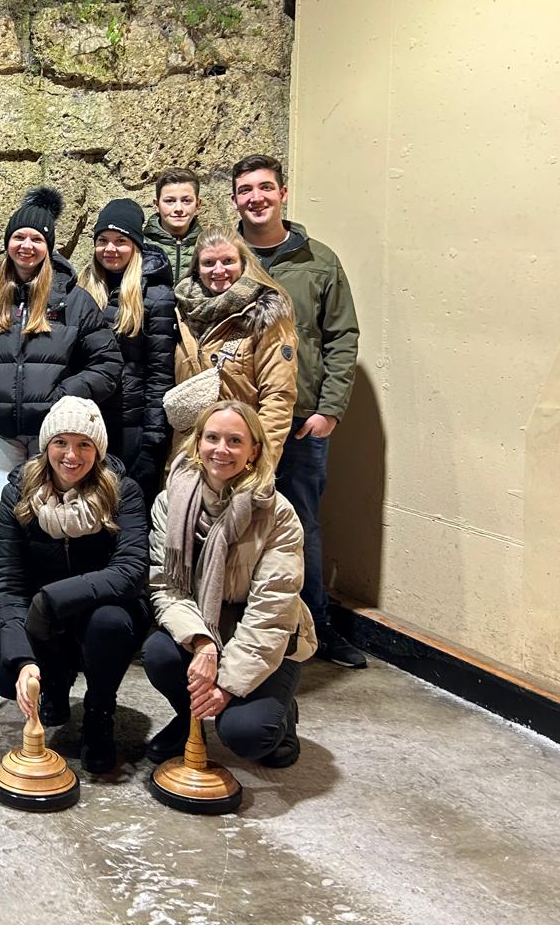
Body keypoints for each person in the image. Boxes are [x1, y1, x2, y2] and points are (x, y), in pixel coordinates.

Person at [0, 187, 122, 710]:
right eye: (18, 237)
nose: (26, 246)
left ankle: (54, 657)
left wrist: (62, 400)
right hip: (1, 439)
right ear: (7, 243)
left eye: (36, 238)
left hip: (55, 445)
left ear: (49, 245)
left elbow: (107, 365)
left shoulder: (74, 300)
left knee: (56, 544)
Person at [233, 154, 366, 669]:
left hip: (300, 420)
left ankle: (316, 625)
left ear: (282, 193)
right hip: (237, 420)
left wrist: (329, 411)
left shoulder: (319, 261)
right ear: (236, 200)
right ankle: (235, 625)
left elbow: (342, 337)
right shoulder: (226, 256)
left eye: (265, 187)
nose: (257, 198)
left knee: (301, 523)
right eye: (246, 190)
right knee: (234, 521)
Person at [143, 400, 315, 768]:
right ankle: (189, 720)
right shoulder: (170, 502)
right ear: (197, 444)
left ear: (253, 452)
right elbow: (167, 588)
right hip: (204, 623)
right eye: (212, 438)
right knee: (158, 653)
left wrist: (225, 686)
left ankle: (283, 713)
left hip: (263, 634)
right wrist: (202, 643)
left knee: (248, 736)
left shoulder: (277, 514)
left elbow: (272, 613)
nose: (221, 449)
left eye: (235, 441)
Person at [0, 398, 148, 774]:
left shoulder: (123, 492)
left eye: (83, 445)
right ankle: (54, 686)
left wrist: (51, 598)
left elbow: (130, 570)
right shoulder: (17, 494)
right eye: (61, 442)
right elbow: (9, 583)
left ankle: (99, 712)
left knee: (108, 623)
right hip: (44, 621)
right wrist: (23, 661)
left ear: (98, 449)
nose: (71, 456)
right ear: (47, 445)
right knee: (2, 671)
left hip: (103, 613)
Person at [78, 198, 176, 504]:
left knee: (129, 509)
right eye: (103, 240)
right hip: (89, 421)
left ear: (135, 245)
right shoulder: (83, 288)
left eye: (121, 241)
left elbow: (160, 372)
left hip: (132, 425)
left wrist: (153, 439)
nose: (110, 249)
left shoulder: (155, 296)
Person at [172, 228, 297, 461]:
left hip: (237, 454)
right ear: (197, 267)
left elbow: (278, 398)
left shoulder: (265, 315)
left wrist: (259, 460)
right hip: (187, 452)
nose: (219, 270)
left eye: (228, 261)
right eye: (209, 263)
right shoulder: (182, 310)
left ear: (243, 262)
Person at [144, 167, 202, 285]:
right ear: (156, 205)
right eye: (170, 201)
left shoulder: (208, 246)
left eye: (186, 201)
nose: (178, 209)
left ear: (197, 204)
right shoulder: (140, 246)